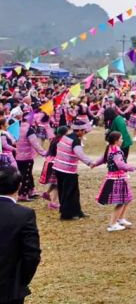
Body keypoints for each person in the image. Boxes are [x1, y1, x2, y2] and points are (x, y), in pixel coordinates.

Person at [0, 167, 41, 304]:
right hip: (10, 288)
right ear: (19, 186)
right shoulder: (24, 215)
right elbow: (32, 255)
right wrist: (21, 280)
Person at [53, 120, 97, 221]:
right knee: (70, 192)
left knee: (65, 191)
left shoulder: (65, 137)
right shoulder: (75, 140)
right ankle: (66, 215)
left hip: (58, 167)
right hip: (68, 170)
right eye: (84, 131)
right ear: (79, 131)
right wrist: (90, 162)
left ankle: (77, 211)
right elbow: (79, 154)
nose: (85, 132)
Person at [95, 131, 136, 233]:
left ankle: (120, 219)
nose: (122, 140)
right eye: (121, 139)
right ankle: (112, 224)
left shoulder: (110, 148)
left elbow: (103, 158)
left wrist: (94, 164)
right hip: (117, 178)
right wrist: (133, 167)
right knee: (121, 201)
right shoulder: (116, 151)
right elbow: (120, 164)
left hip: (118, 177)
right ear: (116, 141)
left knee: (127, 198)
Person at [38, 126, 68, 211]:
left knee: (54, 182)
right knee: (57, 183)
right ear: (65, 133)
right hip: (56, 162)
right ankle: (53, 203)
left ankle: (47, 193)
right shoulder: (61, 141)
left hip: (49, 160)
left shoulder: (54, 139)